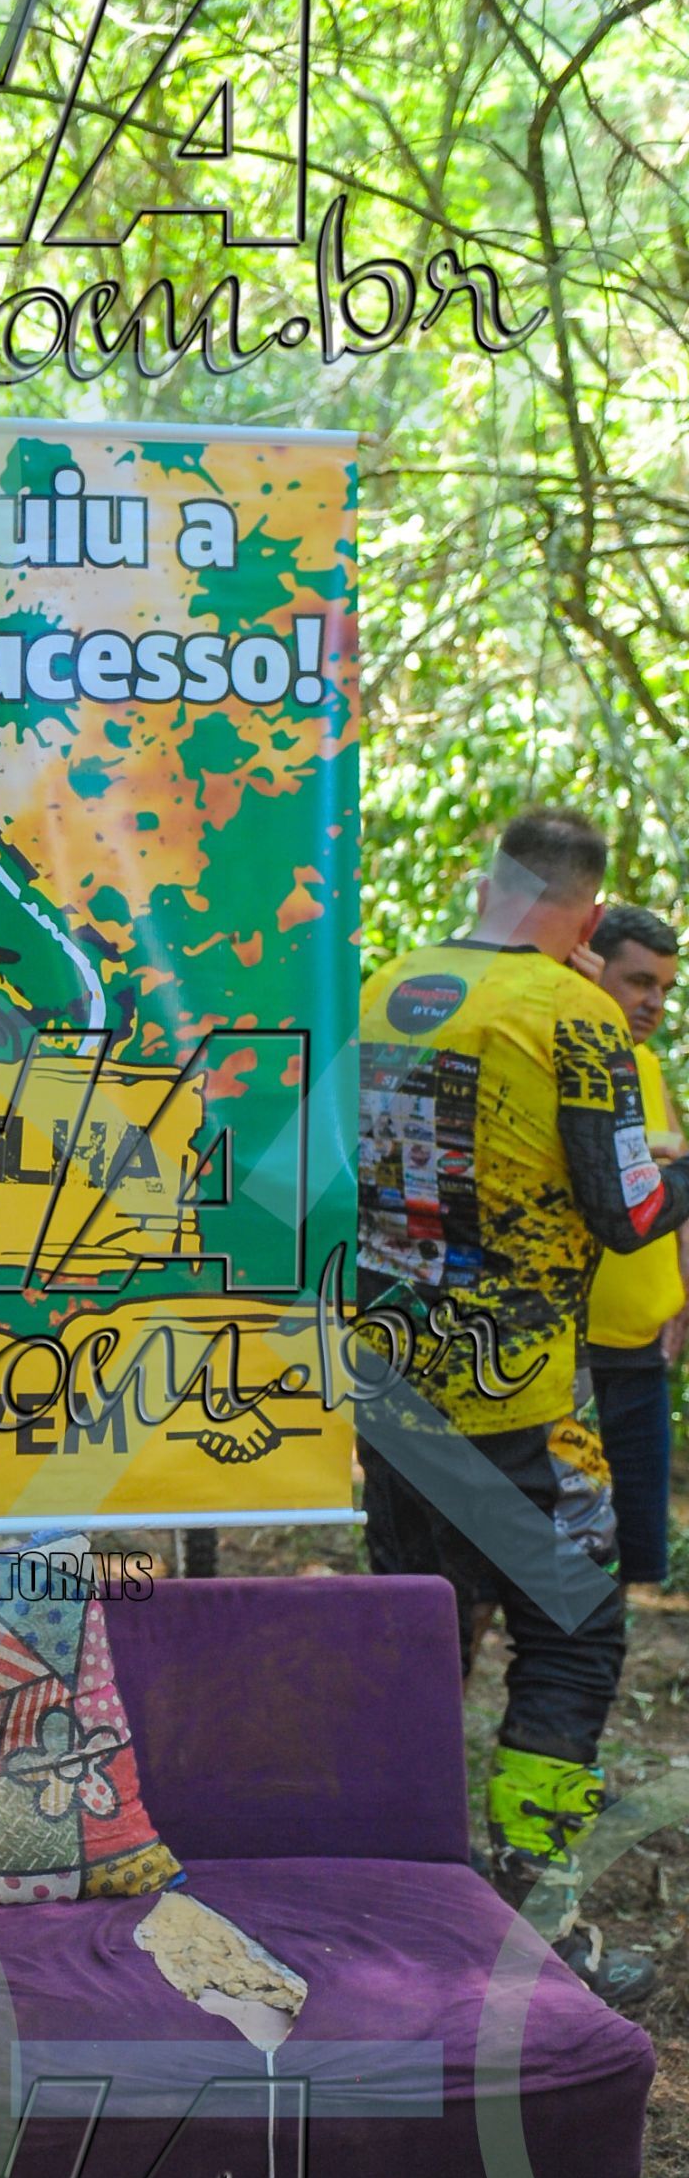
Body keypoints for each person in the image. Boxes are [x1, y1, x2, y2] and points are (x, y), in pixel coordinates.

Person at [357, 808, 689, 2011]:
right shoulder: (572, 1012)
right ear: (590, 914)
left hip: (392, 1385)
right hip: (520, 1397)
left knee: (422, 1631)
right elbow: (629, 1214)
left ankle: (400, 1915)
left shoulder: (383, 988)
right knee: (577, 1635)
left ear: (486, 883)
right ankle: (529, 1926)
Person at [583, 905, 688, 1588]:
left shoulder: (645, 1064)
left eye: (665, 989)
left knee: (630, 1558)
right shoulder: (565, 1059)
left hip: (643, 1352)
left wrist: (684, 1289)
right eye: (639, 981)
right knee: (534, 1558)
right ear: (591, 970)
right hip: (572, 1359)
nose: (654, 1003)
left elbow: (678, 1191)